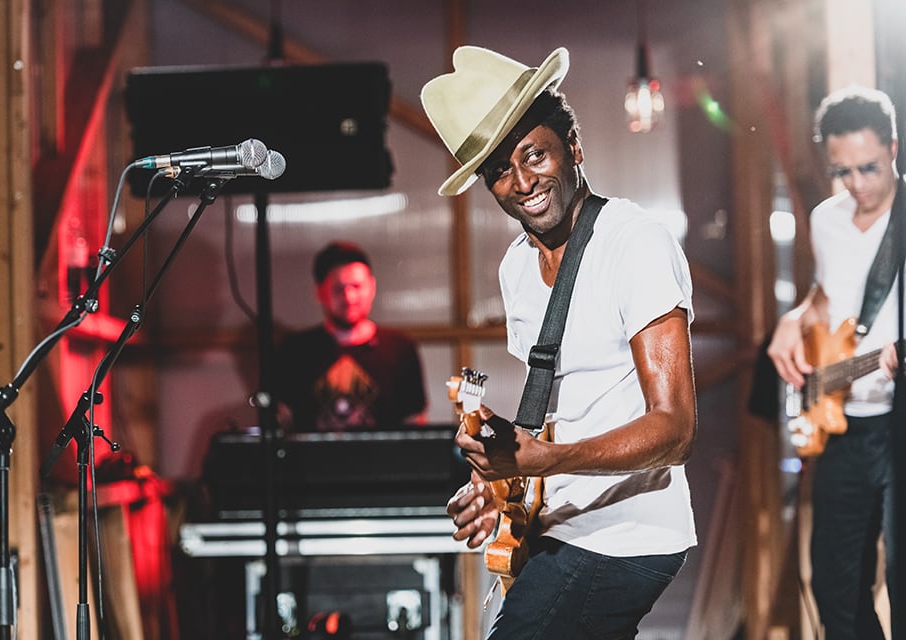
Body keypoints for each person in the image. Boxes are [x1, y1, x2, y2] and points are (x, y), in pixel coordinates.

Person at [420, 46, 697, 639]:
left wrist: (548, 460)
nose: (522, 183)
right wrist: (500, 486)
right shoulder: (515, 268)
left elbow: (675, 430)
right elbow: (555, 414)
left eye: (534, 154)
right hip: (556, 525)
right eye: (499, 170)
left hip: (626, 532)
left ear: (573, 147)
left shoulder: (635, 244)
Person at [767, 85, 903, 639]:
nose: (857, 185)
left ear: (894, 148)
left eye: (868, 167)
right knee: (833, 585)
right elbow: (827, 296)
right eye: (842, 171)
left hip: (899, 424)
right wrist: (793, 319)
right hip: (843, 421)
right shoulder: (826, 219)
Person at [274, 240, 427, 432]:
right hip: (316, 461)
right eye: (339, 289)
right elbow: (283, 424)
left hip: (384, 461)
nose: (349, 297)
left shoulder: (401, 349)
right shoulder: (294, 351)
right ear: (319, 292)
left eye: (357, 286)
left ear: (372, 287)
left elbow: (414, 425)